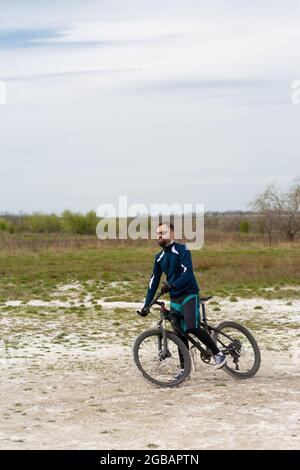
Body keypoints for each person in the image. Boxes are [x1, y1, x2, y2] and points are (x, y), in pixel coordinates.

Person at [140, 222, 227, 378]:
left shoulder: (182, 250)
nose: (160, 235)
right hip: (175, 297)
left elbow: (187, 273)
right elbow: (153, 281)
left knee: (191, 326)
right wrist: (146, 305)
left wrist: (172, 284)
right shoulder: (159, 258)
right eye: (158, 233)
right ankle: (184, 368)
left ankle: (218, 354)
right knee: (179, 333)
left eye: (163, 232)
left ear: (172, 234)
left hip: (189, 293)